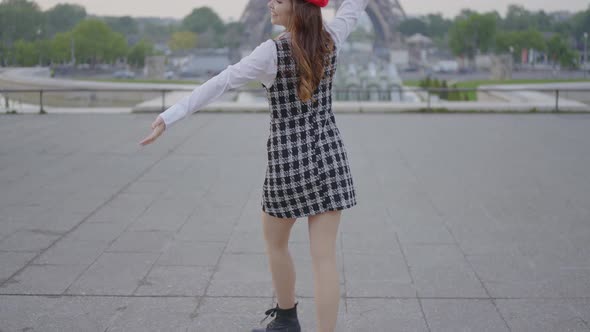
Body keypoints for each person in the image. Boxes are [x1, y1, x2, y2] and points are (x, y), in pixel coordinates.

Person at [140, 0, 369, 331]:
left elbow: (222, 82)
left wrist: (169, 116)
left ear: (296, 6)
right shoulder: (332, 36)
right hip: (331, 159)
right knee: (325, 260)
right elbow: (355, 7)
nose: (269, 4)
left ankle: (287, 319)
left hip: (288, 168)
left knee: (276, 243)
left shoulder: (270, 53)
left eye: (277, 0)